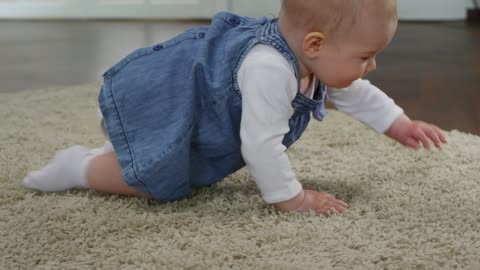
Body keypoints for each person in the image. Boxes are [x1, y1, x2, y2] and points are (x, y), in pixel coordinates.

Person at [22, 0, 447, 216]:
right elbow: (261, 146)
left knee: (184, 169)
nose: (370, 66)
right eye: (364, 56)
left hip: (198, 123)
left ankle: (108, 158)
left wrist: (399, 124)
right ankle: (78, 167)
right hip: (164, 111)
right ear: (315, 44)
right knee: (156, 180)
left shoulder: (314, 60)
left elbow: (356, 93)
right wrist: (291, 198)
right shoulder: (269, 69)